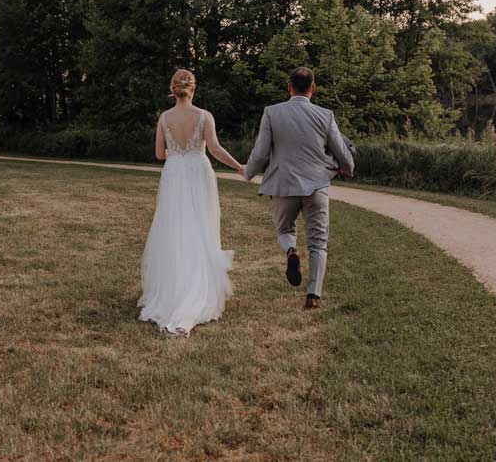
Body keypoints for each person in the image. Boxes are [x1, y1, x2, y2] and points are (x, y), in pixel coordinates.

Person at [138, 69, 244, 335]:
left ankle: (172, 291)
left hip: (174, 172)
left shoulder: (164, 118)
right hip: (198, 170)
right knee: (201, 227)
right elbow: (216, 149)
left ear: (173, 89)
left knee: (174, 228)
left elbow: (158, 153)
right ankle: (196, 290)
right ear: (193, 88)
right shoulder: (204, 116)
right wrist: (239, 167)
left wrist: (177, 153)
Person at [244, 66, 354, 309]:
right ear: (313, 88)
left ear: (289, 87)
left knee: (284, 230)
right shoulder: (326, 115)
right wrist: (348, 167)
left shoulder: (271, 113)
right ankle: (313, 295)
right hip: (316, 186)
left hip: (283, 186)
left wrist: (248, 172)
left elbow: (261, 152)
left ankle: (291, 251)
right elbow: (341, 151)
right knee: (318, 242)